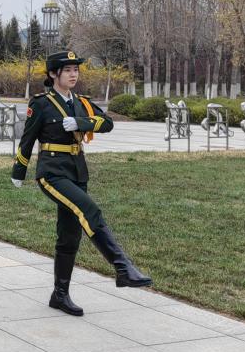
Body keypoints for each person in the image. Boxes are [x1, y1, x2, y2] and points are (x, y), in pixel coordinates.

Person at [12, 51, 152, 316]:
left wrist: (80, 122)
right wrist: (19, 171)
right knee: (89, 210)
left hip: (77, 172)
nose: (73, 74)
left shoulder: (82, 103)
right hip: (52, 173)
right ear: (53, 74)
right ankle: (122, 267)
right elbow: (27, 139)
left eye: (75, 70)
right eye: (67, 70)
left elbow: (107, 123)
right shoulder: (41, 103)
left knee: (70, 235)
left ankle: (59, 295)